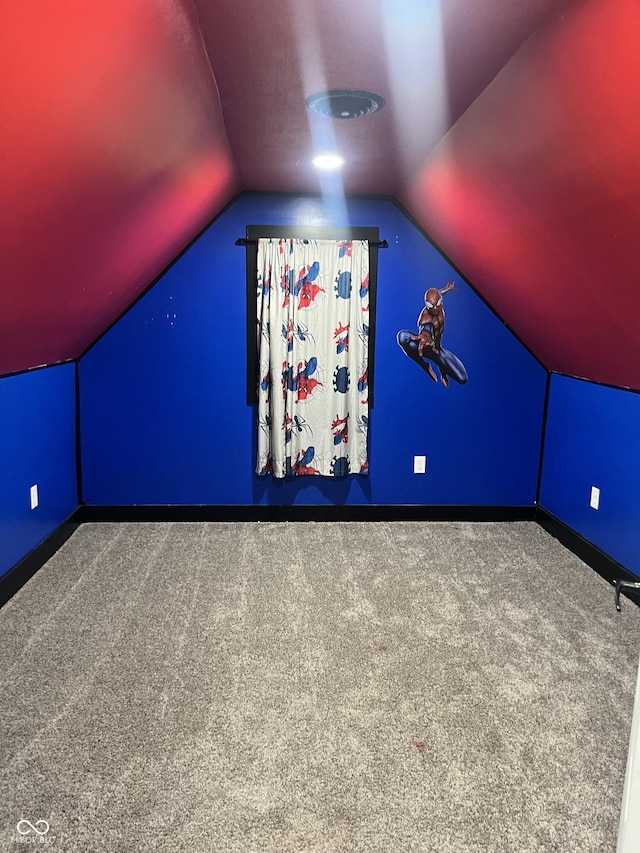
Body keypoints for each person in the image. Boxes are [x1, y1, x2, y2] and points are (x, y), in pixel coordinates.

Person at [397, 282, 468, 385]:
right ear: (427, 305)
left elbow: (439, 294)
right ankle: (426, 367)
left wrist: (447, 289)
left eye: (437, 305)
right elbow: (426, 328)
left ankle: (441, 368)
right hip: (424, 347)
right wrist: (425, 336)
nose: (435, 309)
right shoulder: (426, 318)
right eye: (431, 306)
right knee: (402, 337)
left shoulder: (437, 301)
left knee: (462, 378)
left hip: (437, 351)